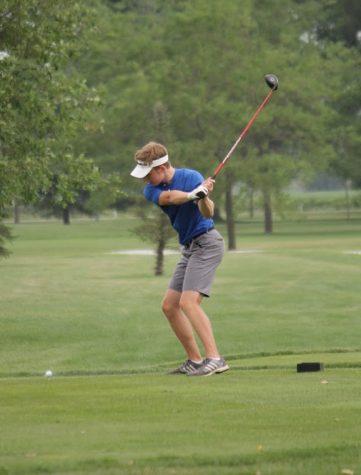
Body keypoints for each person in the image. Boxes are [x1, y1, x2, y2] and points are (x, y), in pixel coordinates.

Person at [131, 141, 229, 376]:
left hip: (207, 243)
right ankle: (195, 361)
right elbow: (170, 198)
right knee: (169, 306)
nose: (145, 180)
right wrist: (191, 194)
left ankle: (215, 358)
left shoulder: (190, 176)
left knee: (188, 303)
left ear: (161, 167)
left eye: (148, 174)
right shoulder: (151, 190)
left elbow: (208, 213)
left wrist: (203, 196)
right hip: (190, 247)